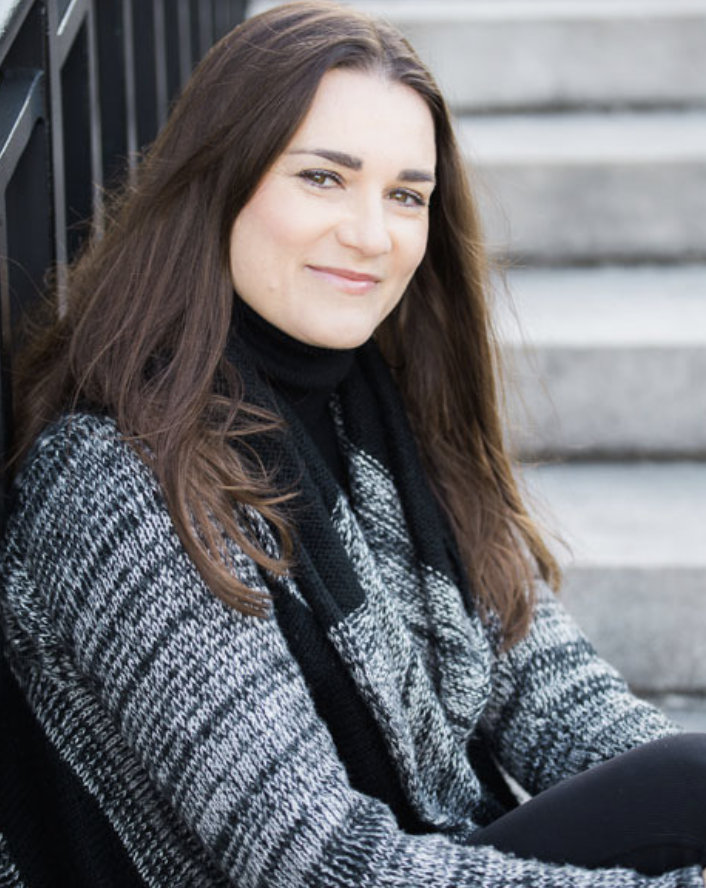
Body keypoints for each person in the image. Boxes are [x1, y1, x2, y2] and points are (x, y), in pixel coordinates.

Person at [0, 1, 705, 885]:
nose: (373, 236)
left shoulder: (385, 414)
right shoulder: (120, 473)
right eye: (324, 178)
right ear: (222, 180)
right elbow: (316, 861)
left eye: (406, 194)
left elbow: (560, 696)